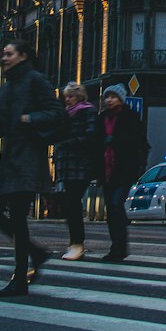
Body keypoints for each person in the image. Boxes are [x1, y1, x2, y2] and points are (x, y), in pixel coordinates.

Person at [0, 35, 61, 297]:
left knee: (17, 216)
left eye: (9, 53)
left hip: (28, 156)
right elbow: (0, 124)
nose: (4, 58)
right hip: (9, 157)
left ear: (23, 56)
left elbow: (56, 113)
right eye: (4, 54)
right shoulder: (7, 86)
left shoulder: (36, 80)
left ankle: (19, 278)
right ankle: (35, 253)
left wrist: (30, 118)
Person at [99, 84, 148, 261]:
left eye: (113, 97)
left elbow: (137, 142)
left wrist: (115, 140)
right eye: (107, 97)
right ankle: (116, 247)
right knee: (111, 210)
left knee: (115, 204)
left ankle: (120, 246)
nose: (109, 100)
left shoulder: (130, 117)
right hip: (106, 170)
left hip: (124, 169)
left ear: (121, 99)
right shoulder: (102, 118)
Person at [56, 82, 98, 261]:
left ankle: (77, 244)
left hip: (81, 165)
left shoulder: (87, 111)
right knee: (69, 204)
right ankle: (74, 243)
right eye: (66, 97)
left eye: (71, 96)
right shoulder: (65, 114)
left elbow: (91, 136)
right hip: (67, 165)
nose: (68, 100)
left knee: (72, 203)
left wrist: (69, 142)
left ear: (79, 96)